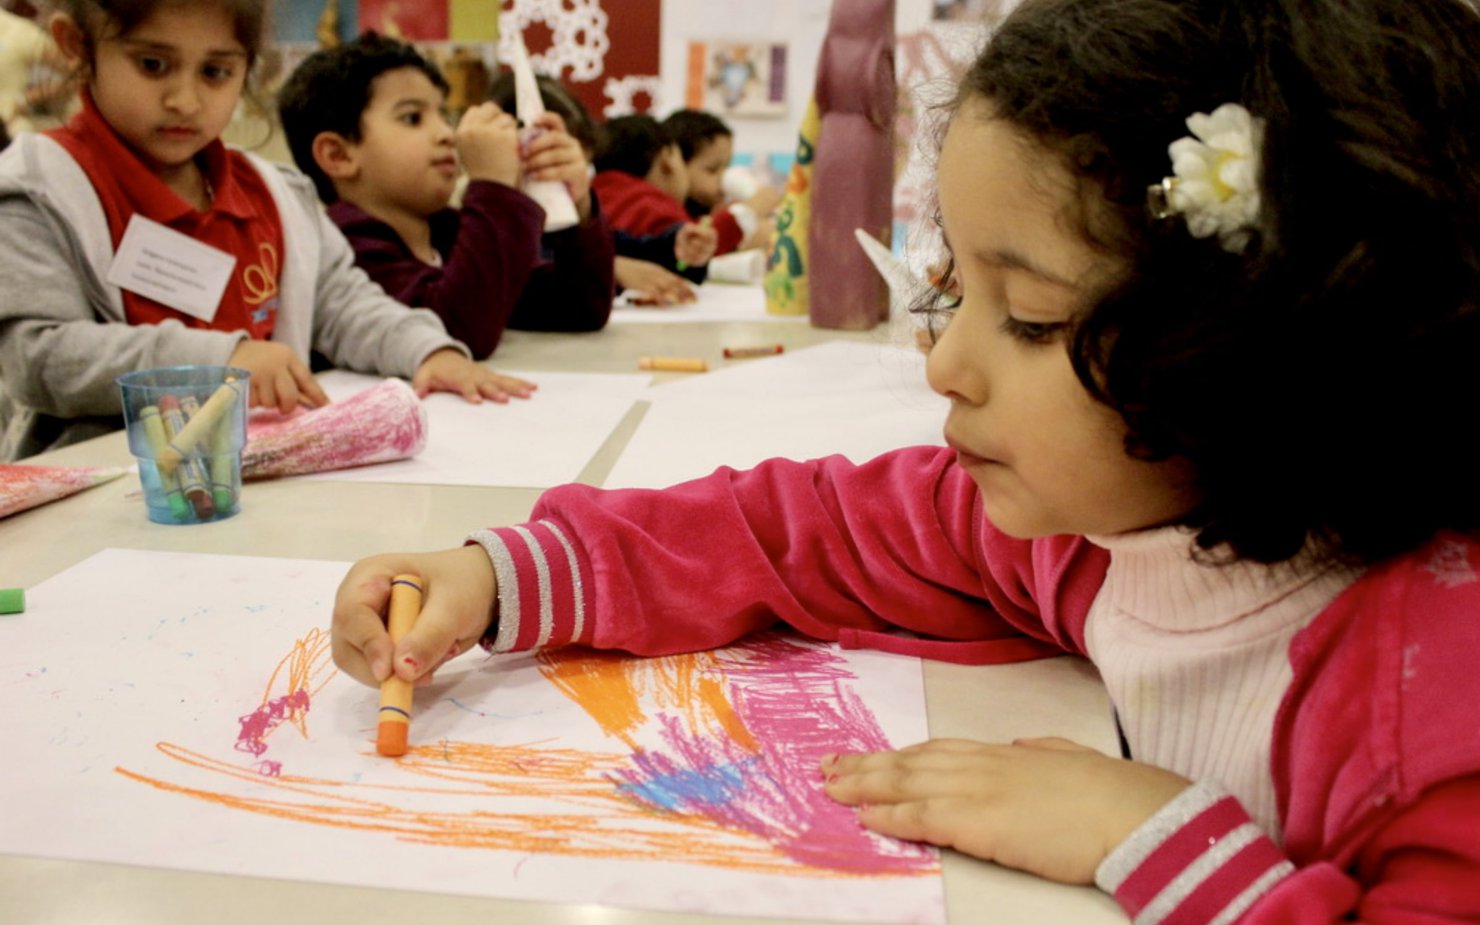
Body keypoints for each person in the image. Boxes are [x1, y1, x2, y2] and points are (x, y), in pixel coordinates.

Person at [330, 0, 1480, 920]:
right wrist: (506, 573)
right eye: (950, 291)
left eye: (1026, 317)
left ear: (1261, 347)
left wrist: (1154, 838)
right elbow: (808, 529)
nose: (943, 365)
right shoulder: (1093, 532)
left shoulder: (1428, 705)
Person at [0, 0, 530, 462]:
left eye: (215, 73)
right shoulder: (39, 187)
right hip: (103, 502)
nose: (184, 99)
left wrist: (427, 351)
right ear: (77, 46)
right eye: (153, 64)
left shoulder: (276, 195)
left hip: (266, 482)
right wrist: (221, 361)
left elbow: (345, 305)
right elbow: (39, 355)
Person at [278, 34, 615, 360]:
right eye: (413, 118)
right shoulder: (346, 248)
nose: (445, 133)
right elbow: (454, 332)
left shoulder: (449, 231)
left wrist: (577, 204)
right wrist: (494, 186)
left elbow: (579, 308)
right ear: (338, 155)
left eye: (444, 115)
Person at [486, 71, 697, 307]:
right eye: (557, 165)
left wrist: (675, 244)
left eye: (583, 168)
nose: (575, 182)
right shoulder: (491, 223)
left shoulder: (574, 214)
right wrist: (613, 269)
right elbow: (542, 290)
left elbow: (622, 244)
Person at [591, 113, 717, 285]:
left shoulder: (594, 194)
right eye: (713, 170)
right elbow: (680, 271)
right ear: (668, 159)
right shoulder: (654, 204)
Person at [661, 108, 780, 254]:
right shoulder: (668, 212)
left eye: (727, 167)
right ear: (678, 166)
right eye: (712, 169)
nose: (724, 177)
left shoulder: (716, 208)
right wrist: (750, 210)